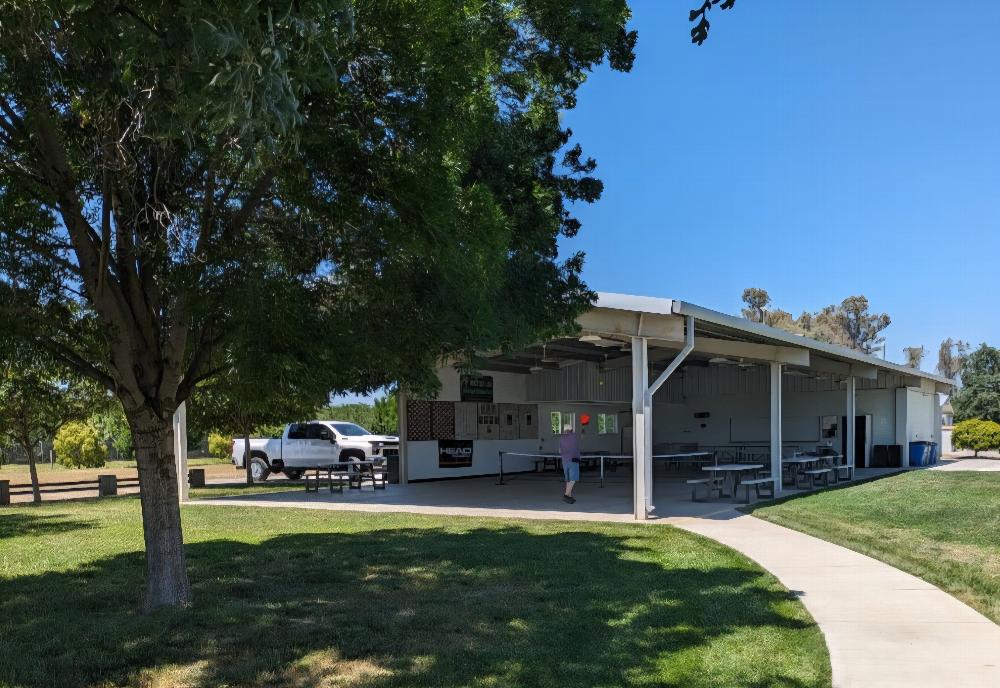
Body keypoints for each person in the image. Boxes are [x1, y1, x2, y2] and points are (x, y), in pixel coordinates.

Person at [558, 423, 580, 504]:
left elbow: (559, 451)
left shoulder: (561, 438)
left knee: (568, 479)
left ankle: (569, 497)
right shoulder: (574, 436)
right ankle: (566, 495)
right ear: (571, 429)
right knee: (573, 479)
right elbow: (579, 437)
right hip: (573, 460)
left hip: (564, 461)